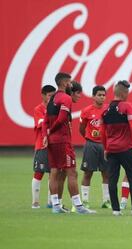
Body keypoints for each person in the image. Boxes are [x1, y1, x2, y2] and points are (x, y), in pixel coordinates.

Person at [42, 73, 94, 214]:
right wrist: (51, 131)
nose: (71, 85)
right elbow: (61, 119)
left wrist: (45, 134)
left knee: (54, 172)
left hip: (52, 141)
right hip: (62, 140)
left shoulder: (52, 98)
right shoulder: (65, 98)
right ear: (65, 83)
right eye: (70, 82)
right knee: (72, 172)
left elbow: (46, 119)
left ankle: (56, 206)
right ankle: (78, 206)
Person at [100, 80, 132, 216]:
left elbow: (102, 132)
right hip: (126, 149)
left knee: (112, 180)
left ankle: (116, 210)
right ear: (124, 93)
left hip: (111, 150)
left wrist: (105, 148)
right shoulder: (126, 107)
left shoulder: (105, 109)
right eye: (127, 92)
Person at [79, 86, 110, 209]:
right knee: (88, 173)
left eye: (103, 95)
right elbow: (81, 128)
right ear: (93, 96)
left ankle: (106, 201)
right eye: (99, 95)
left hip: (105, 145)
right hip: (91, 144)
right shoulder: (86, 111)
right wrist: (89, 138)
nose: (102, 97)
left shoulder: (108, 109)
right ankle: (85, 201)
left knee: (106, 173)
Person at [32, 85, 56, 209]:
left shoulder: (56, 109)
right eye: (49, 95)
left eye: (53, 95)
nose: (51, 98)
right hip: (42, 145)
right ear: (43, 95)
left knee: (53, 173)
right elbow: (41, 123)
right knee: (39, 172)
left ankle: (50, 201)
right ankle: (35, 202)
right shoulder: (39, 109)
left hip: (54, 145)